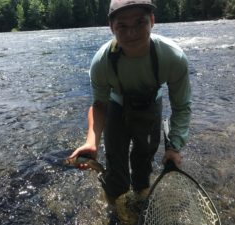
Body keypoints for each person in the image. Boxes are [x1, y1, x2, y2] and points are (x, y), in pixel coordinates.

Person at [69, 0, 191, 222]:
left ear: (152, 21)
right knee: (116, 168)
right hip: (116, 106)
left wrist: (174, 145)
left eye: (140, 22)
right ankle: (115, 212)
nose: (131, 32)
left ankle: (141, 201)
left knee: (143, 162)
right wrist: (91, 141)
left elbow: (181, 106)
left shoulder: (172, 57)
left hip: (151, 106)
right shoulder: (101, 62)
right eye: (122, 26)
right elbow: (99, 105)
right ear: (111, 28)